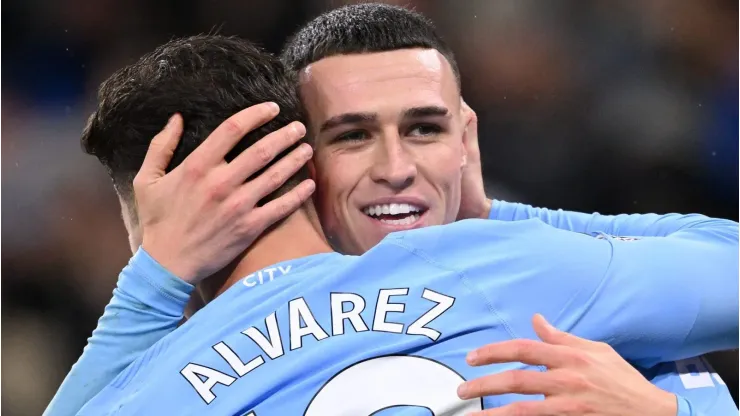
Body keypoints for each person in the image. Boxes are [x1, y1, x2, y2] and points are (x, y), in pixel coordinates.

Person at [47, 33, 737, 415]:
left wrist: (153, 278)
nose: (397, 168)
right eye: (351, 137)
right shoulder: (499, 268)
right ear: (302, 162)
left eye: (425, 129)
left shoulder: (154, 389)